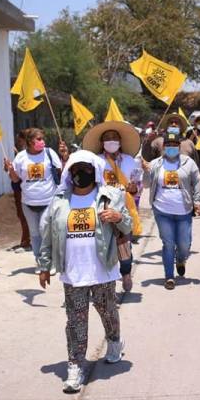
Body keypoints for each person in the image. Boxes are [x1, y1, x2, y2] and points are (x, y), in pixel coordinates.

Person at [37, 150, 131, 394]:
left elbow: (128, 225)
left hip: (102, 270)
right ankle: (75, 365)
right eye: (76, 169)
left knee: (108, 312)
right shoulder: (59, 201)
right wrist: (44, 266)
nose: (81, 173)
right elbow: (47, 235)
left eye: (87, 169)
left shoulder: (109, 196)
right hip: (72, 272)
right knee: (75, 321)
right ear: (69, 173)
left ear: (95, 171)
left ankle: (114, 341)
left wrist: (117, 217)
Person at [83, 120, 143, 292]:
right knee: (102, 244)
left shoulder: (131, 161)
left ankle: (126, 272)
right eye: (107, 138)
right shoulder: (95, 161)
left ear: (120, 141)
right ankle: (104, 281)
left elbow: (138, 187)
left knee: (124, 245)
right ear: (102, 142)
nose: (111, 141)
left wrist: (134, 188)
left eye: (114, 138)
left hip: (124, 210)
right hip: (102, 208)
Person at [4, 128, 68, 273]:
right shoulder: (21, 157)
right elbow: (15, 179)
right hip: (28, 203)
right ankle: (40, 261)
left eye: (42, 138)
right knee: (34, 233)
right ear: (29, 141)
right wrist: (10, 170)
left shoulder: (49, 153)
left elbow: (62, 172)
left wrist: (65, 157)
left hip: (49, 200)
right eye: (38, 139)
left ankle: (51, 261)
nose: (42, 141)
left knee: (45, 230)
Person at [145, 133, 200, 289]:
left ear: (179, 146)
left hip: (184, 210)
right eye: (168, 145)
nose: (171, 148)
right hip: (162, 210)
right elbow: (145, 184)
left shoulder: (188, 162)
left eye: (174, 145)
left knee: (184, 243)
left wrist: (198, 201)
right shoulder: (156, 163)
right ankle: (169, 276)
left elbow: (197, 182)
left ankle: (181, 258)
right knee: (168, 243)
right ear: (163, 147)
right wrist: (146, 171)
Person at [5, 130, 31, 251]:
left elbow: (21, 175)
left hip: (23, 190)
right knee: (21, 215)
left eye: (20, 140)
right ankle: (26, 240)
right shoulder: (20, 155)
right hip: (17, 189)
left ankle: (26, 242)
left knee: (24, 215)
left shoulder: (26, 156)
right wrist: (9, 168)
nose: (18, 143)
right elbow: (13, 173)